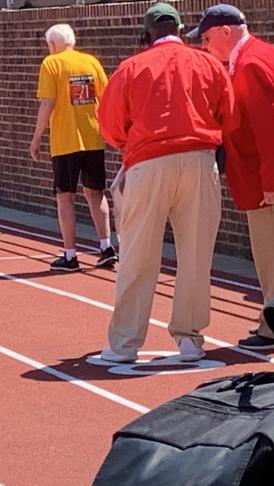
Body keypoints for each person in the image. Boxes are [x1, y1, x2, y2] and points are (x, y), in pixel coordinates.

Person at [97, 3, 238, 362]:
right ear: (180, 27)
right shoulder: (207, 63)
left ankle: (125, 343)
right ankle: (190, 337)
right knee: (195, 255)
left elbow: (111, 126)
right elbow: (230, 115)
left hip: (148, 160)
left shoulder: (131, 67)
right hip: (200, 158)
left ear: (147, 33)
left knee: (138, 255)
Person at [189, 4, 274, 351]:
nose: (206, 46)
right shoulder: (266, 54)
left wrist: (271, 182)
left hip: (269, 178)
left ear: (226, 32)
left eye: (208, 38)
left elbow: (270, 128)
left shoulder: (250, 63)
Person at [30, 23, 115, 271]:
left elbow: (48, 103)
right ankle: (106, 246)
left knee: (64, 197)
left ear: (52, 44)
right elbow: (106, 96)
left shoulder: (51, 63)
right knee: (95, 193)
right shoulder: (91, 62)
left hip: (66, 141)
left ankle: (70, 254)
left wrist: (36, 138)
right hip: (92, 137)